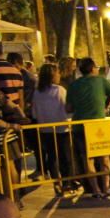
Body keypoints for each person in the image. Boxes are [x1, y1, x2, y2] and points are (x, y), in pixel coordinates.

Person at [65, 57, 110, 199]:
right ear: (93, 68)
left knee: (87, 159)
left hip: (80, 126)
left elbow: (68, 108)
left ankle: (95, 190)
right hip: (98, 126)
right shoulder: (101, 81)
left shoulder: (73, 85)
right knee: (104, 158)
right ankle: (106, 187)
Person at [30, 63, 74, 193]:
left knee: (52, 156)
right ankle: (66, 183)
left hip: (45, 129)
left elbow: (34, 112)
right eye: (57, 73)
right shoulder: (60, 90)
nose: (59, 75)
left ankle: (56, 183)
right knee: (65, 157)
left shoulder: (37, 92)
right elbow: (67, 108)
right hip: (62, 128)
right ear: (53, 75)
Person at [0, 39, 24, 110]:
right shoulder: (16, 71)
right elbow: (21, 98)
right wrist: (21, 114)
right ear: (2, 50)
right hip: (15, 112)